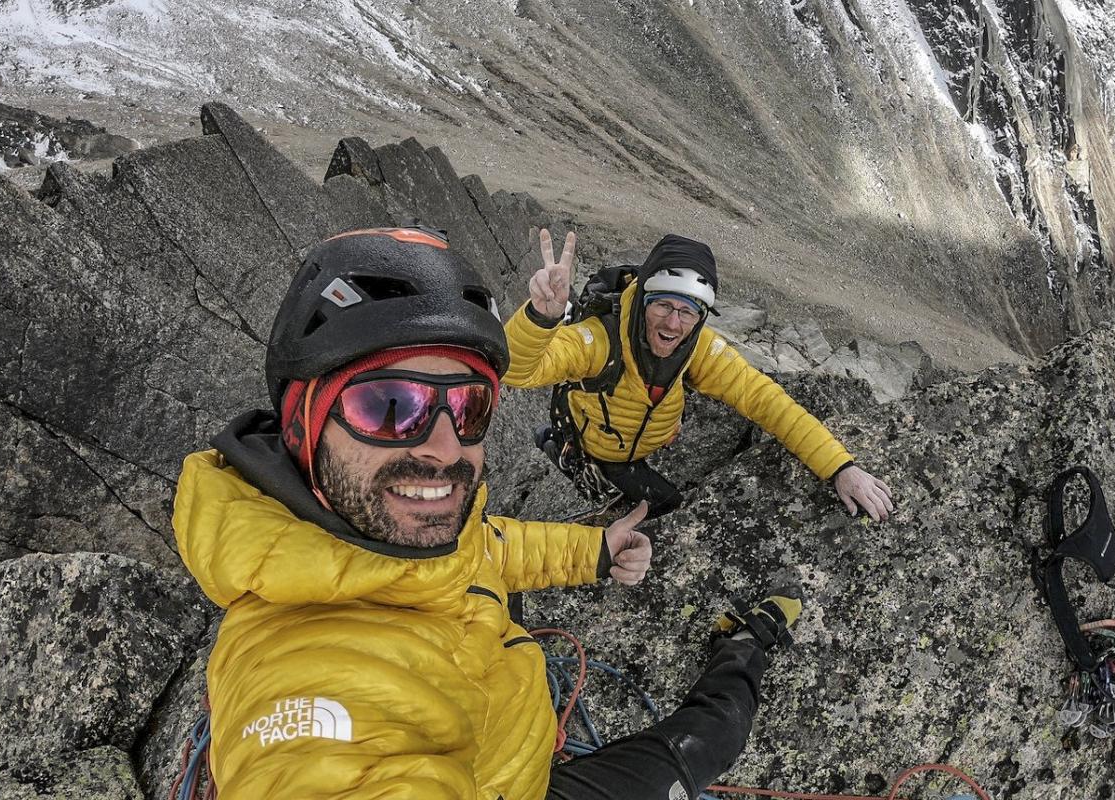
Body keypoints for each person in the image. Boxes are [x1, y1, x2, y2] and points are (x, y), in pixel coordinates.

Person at [172, 226, 805, 799]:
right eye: (389, 405)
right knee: (715, 739)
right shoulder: (301, 674)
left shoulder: (389, 527)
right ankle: (746, 644)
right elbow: (323, 758)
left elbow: (479, 546)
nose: (445, 449)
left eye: (470, 408)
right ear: (300, 422)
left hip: (500, 724)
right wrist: (542, 317)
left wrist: (595, 550)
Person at [506, 230, 894, 521]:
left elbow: (766, 401)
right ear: (642, 300)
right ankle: (557, 446)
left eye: (688, 311)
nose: (674, 322)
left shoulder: (699, 349)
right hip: (603, 449)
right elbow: (516, 371)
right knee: (666, 507)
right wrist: (542, 317)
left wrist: (840, 467)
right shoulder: (599, 342)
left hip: (645, 439)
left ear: (701, 316)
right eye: (663, 306)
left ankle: (554, 442)